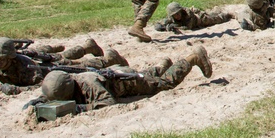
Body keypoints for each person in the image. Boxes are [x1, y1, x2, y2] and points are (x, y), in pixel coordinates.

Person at [33, 45, 212, 113]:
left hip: (127, 83)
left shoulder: (90, 84)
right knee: (149, 76)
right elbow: (53, 93)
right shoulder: (63, 79)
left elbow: (108, 102)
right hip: (118, 74)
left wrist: (79, 108)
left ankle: (192, 58)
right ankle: (160, 67)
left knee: (164, 84)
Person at [153, 2, 233, 33]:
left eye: (178, 14)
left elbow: (188, 27)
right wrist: (163, 27)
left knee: (215, 19)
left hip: (200, 19)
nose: (177, 16)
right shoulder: (172, 17)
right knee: (212, 14)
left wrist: (175, 27)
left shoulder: (188, 14)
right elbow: (159, 24)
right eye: (174, 15)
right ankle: (215, 10)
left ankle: (227, 15)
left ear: (181, 11)